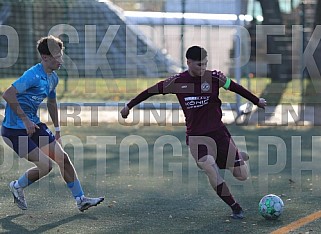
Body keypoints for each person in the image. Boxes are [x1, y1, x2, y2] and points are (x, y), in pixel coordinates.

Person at [120, 46, 267, 219]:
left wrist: (256, 101)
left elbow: (234, 87)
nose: (203, 68)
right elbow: (150, 91)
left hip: (219, 133)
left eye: (205, 64)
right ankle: (235, 207)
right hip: (197, 137)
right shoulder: (176, 82)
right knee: (210, 168)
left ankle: (235, 157)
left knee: (241, 175)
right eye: (199, 65)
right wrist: (129, 106)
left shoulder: (215, 78)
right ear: (188, 62)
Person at [1, 35, 104, 212]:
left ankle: (81, 199)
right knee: (45, 166)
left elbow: (51, 102)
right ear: (45, 57)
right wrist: (25, 120)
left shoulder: (53, 78)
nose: (61, 60)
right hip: (14, 131)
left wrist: (57, 129)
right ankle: (17, 186)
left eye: (61, 55)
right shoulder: (32, 75)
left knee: (63, 158)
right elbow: (8, 94)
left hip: (34, 125)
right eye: (57, 56)